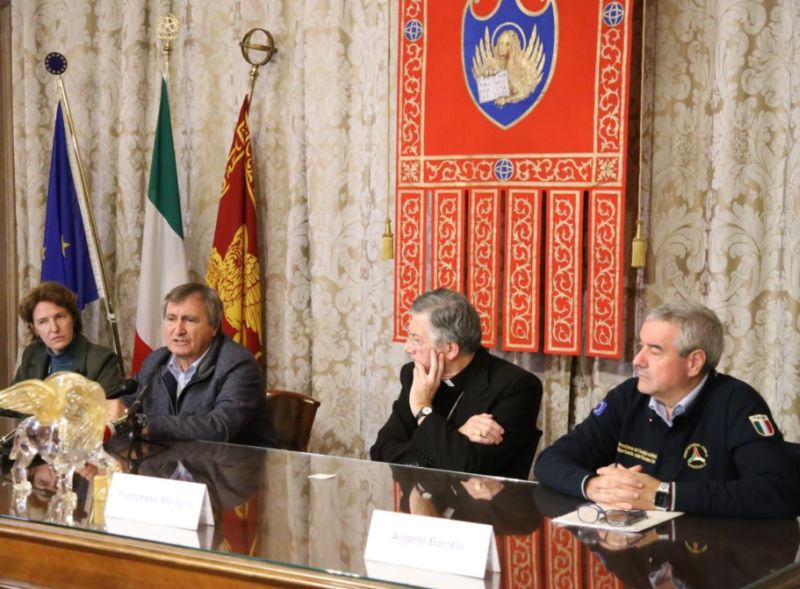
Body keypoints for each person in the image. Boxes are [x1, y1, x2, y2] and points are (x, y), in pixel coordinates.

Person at [534, 300, 800, 518]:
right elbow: (551, 460)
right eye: (641, 347)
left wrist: (665, 496)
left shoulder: (738, 404)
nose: (637, 360)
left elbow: (777, 492)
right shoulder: (629, 396)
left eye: (655, 351)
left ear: (694, 362)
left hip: (712, 556)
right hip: (639, 550)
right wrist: (594, 486)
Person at [370, 288, 542, 479]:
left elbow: (470, 469)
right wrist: (458, 435)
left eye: (415, 339)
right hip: (417, 493)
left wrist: (422, 409)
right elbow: (381, 451)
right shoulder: (415, 375)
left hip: (483, 497)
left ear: (450, 349)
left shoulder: (516, 387)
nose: (407, 347)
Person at [106, 283, 276, 447]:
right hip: (171, 461)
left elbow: (220, 428)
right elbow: (126, 405)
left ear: (214, 327)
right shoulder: (156, 361)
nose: (178, 330)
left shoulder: (238, 364)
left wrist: (146, 424)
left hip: (237, 463)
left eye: (190, 320)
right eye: (171, 319)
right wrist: (111, 409)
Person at [14, 282, 122, 394]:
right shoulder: (31, 355)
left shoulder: (101, 360)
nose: (54, 329)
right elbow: (13, 401)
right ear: (34, 328)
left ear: (73, 318)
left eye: (60, 317)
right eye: (43, 322)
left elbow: (107, 404)